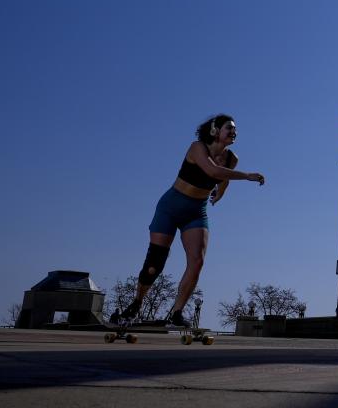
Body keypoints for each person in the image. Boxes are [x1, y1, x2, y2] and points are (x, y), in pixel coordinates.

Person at [111, 113, 265, 327]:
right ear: (215, 130)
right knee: (155, 263)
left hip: (196, 211)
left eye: (235, 129)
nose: (233, 132)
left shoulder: (232, 158)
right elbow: (213, 170)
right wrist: (247, 176)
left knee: (197, 262)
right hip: (171, 207)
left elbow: (223, 178)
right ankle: (136, 303)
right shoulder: (197, 147)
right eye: (229, 128)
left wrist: (220, 193)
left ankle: (176, 313)